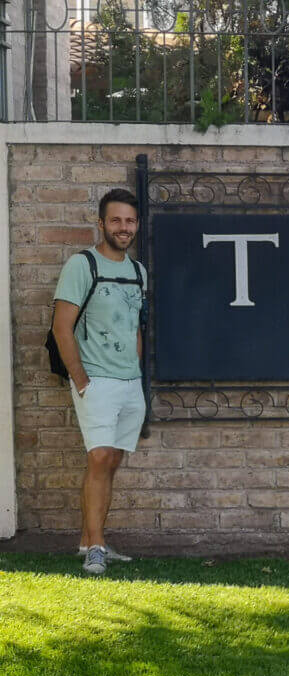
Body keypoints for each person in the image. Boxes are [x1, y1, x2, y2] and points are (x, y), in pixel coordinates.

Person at [52, 189, 148, 575]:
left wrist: (135, 371)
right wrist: (82, 380)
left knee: (111, 461)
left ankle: (88, 539)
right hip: (96, 380)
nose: (123, 228)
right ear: (102, 223)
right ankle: (96, 546)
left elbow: (135, 328)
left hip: (129, 381)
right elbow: (62, 328)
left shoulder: (139, 272)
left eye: (129, 221)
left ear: (136, 226)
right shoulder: (82, 265)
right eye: (116, 220)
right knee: (98, 458)